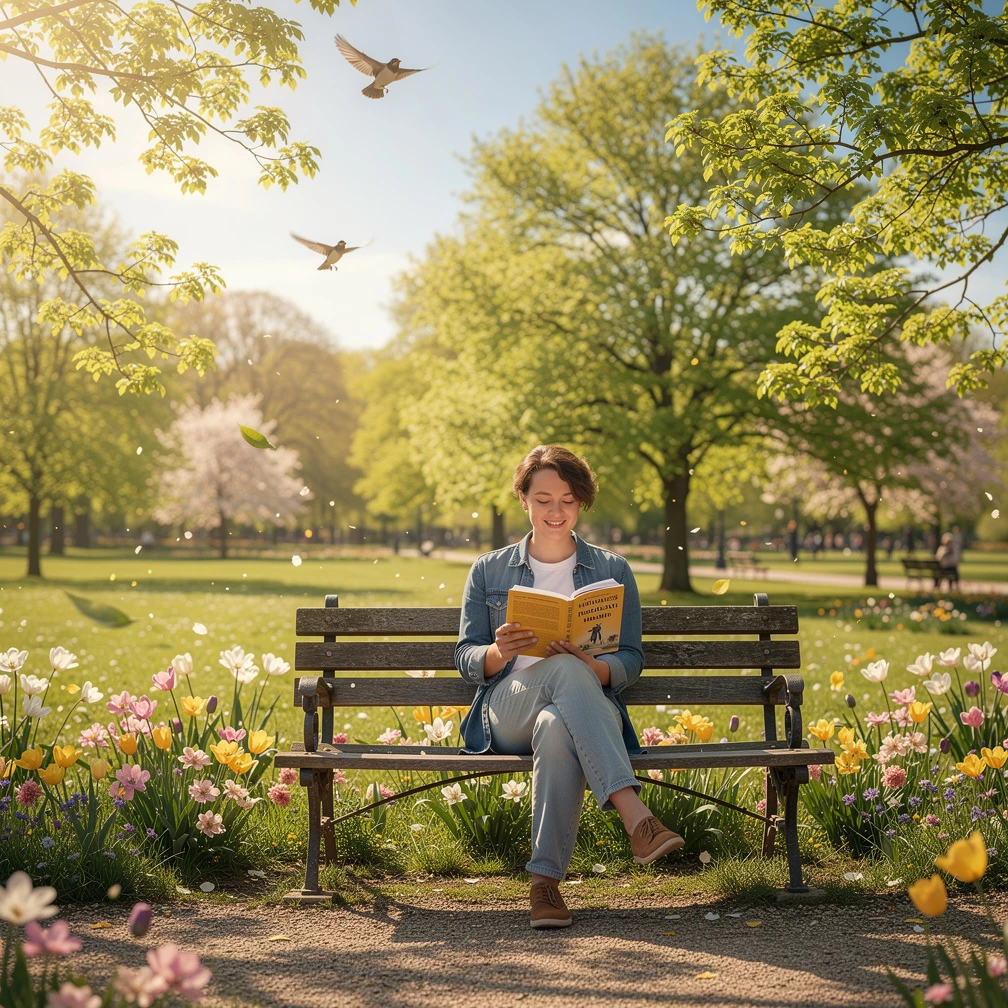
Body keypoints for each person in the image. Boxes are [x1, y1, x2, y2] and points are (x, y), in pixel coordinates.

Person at [455, 445, 684, 930]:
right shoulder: (489, 570)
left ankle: (544, 887)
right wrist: (500, 652)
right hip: (505, 710)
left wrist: (595, 667)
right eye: (543, 499)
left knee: (558, 723)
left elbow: (632, 659)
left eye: (567, 499)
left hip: (569, 713)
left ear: (581, 503)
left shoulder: (611, 571)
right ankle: (633, 813)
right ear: (523, 500)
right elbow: (466, 658)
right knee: (564, 672)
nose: (555, 511)